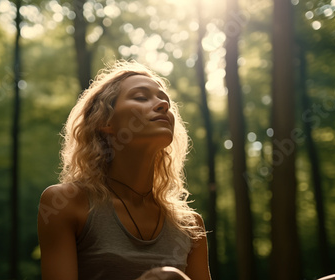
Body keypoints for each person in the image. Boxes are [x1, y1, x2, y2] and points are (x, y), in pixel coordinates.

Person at [37, 60, 211, 280]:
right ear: (106, 121)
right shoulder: (65, 203)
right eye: (141, 97)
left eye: (164, 99)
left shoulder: (189, 226)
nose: (162, 105)